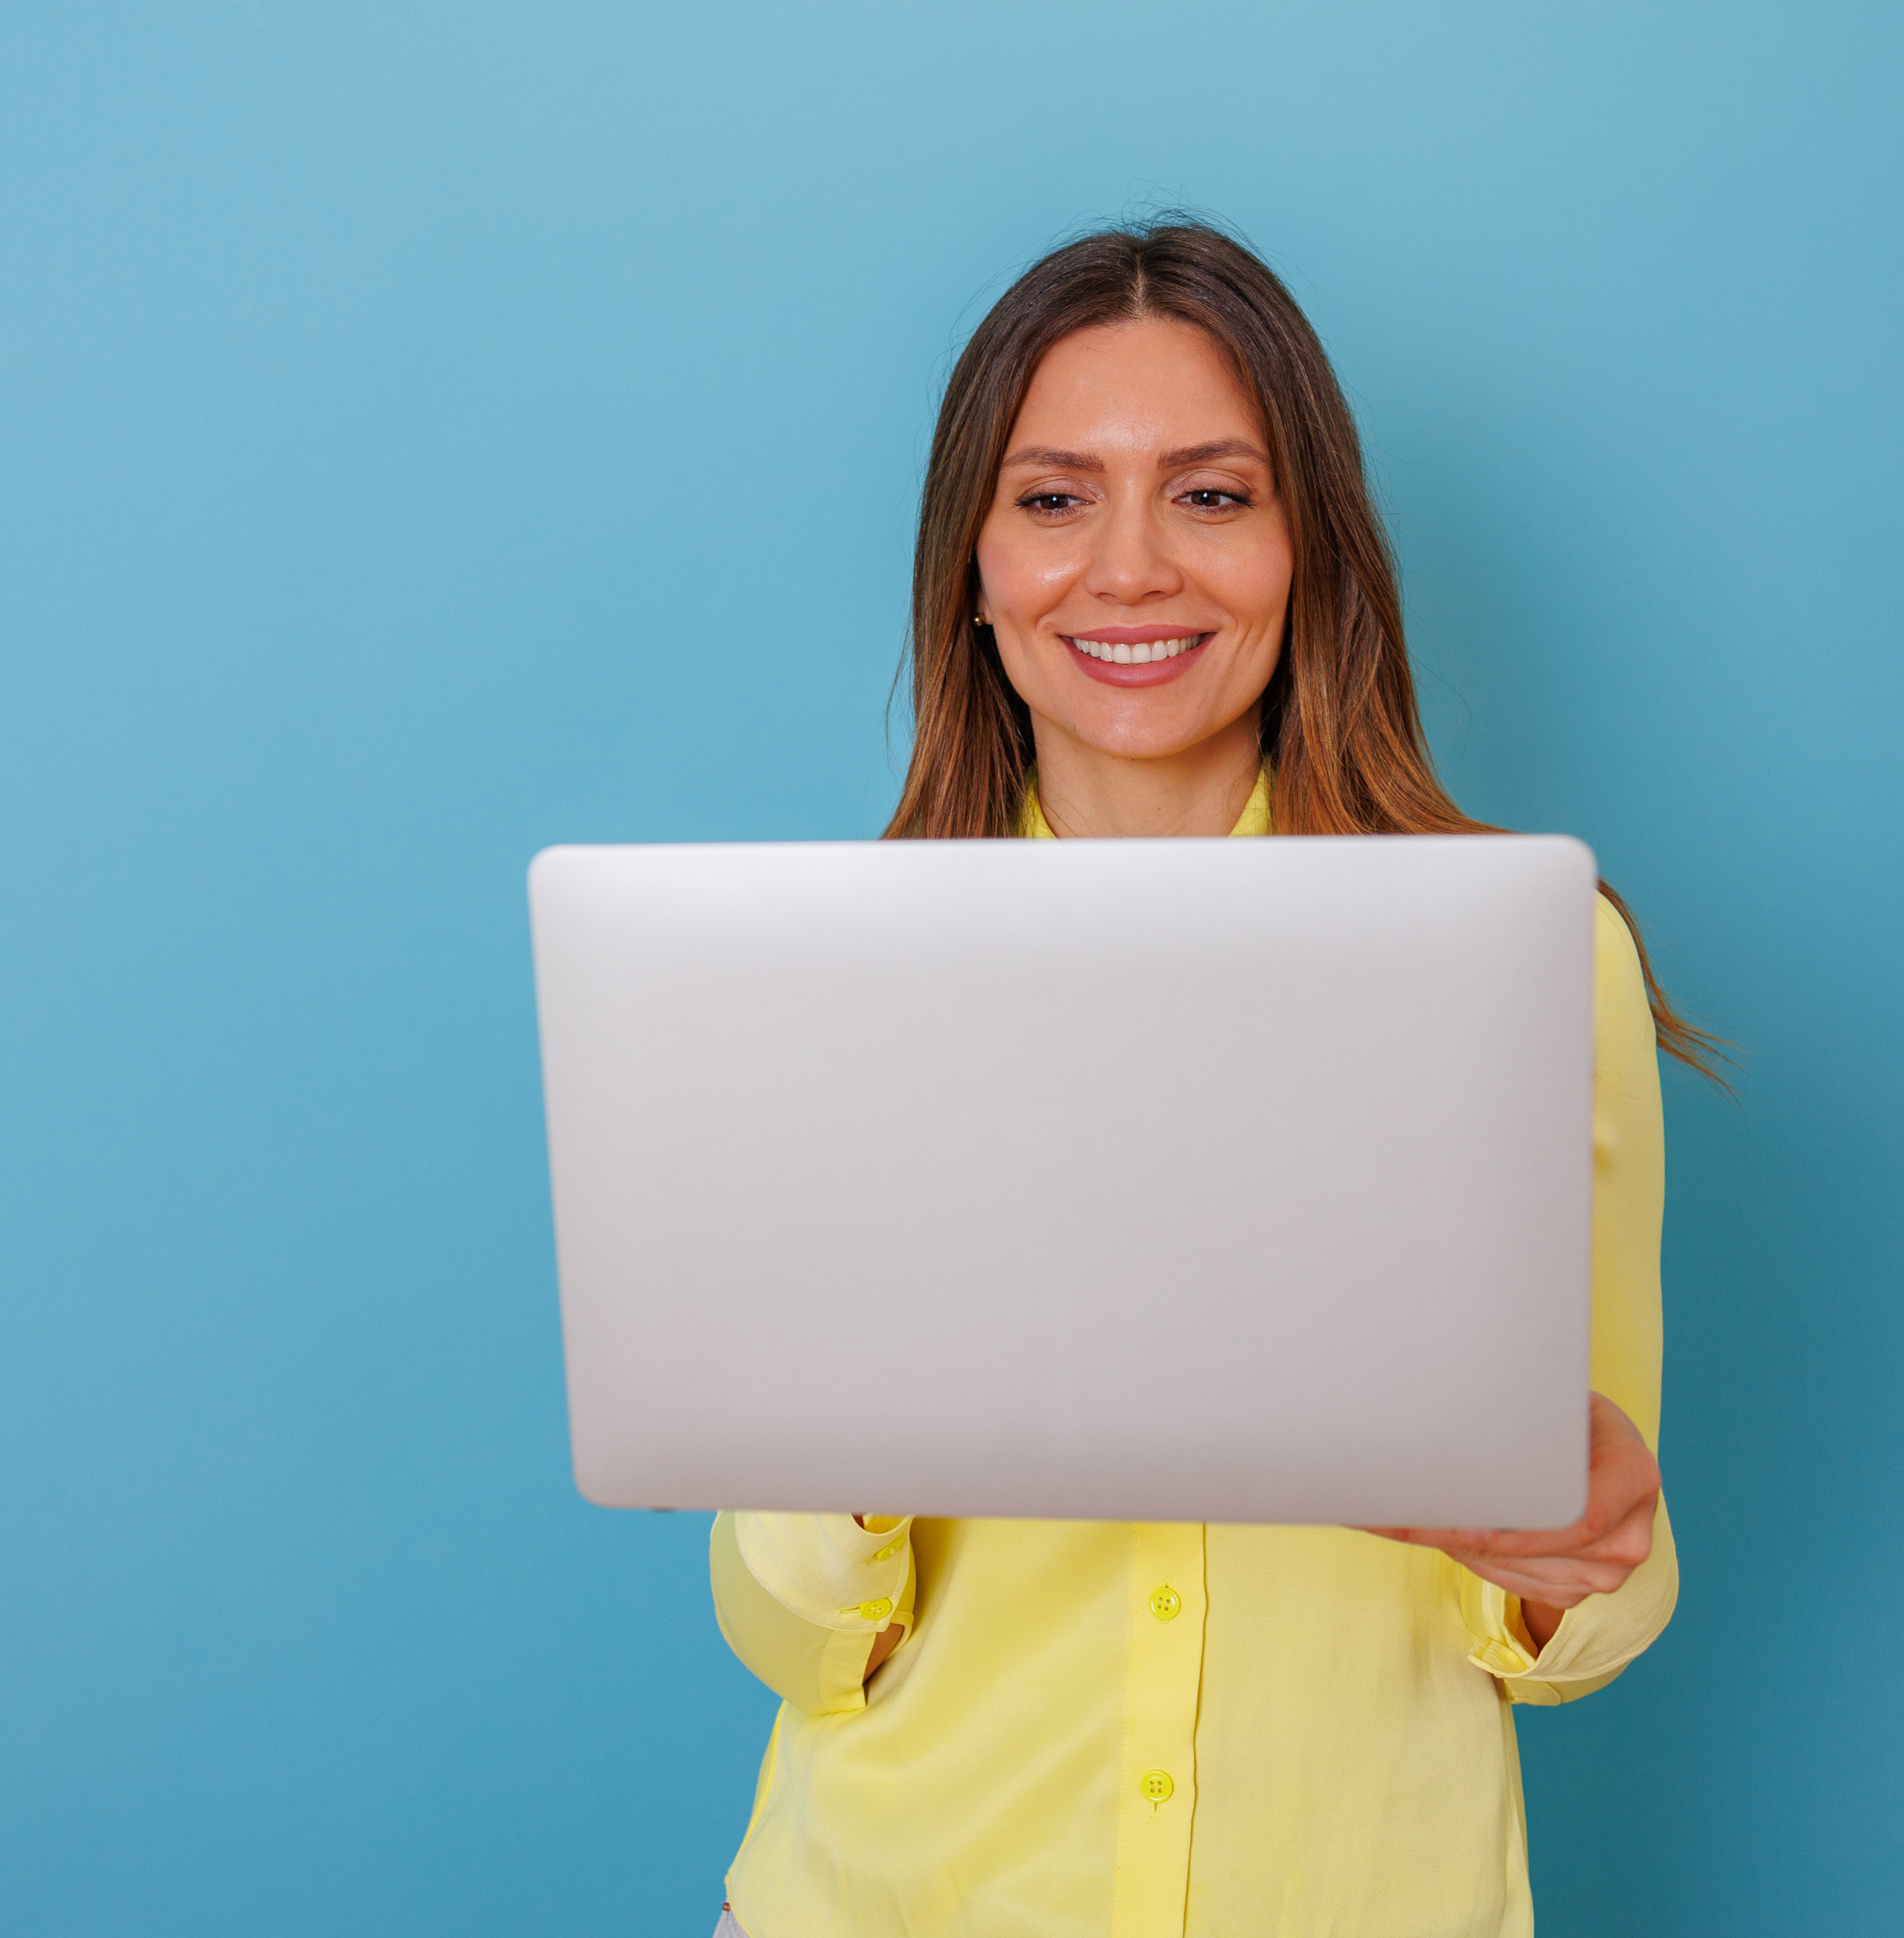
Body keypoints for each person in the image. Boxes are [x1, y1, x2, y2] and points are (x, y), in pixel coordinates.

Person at [706, 221, 1716, 1938]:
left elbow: (1584, 1617)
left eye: (1212, 494)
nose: (1128, 570)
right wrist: (864, 1420)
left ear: (1308, 546)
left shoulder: (1535, 964)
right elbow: (794, 1636)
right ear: (970, 564)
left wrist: (1580, 1557)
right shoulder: (842, 983)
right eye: (1052, 498)